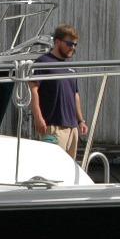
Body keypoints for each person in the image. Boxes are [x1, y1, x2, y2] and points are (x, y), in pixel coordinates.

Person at [30, 24, 88, 158]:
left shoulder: (71, 68)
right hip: (53, 127)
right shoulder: (43, 62)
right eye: (69, 44)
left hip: (72, 128)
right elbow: (33, 90)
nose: (72, 48)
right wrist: (38, 118)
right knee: (51, 167)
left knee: (68, 170)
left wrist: (80, 120)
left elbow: (75, 95)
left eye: (75, 45)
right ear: (57, 42)